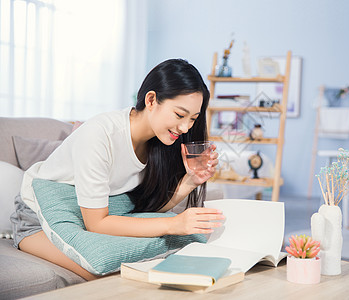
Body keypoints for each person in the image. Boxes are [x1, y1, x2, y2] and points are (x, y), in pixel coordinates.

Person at [10, 59, 222, 280]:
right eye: (180, 115)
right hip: (39, 221)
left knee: (168, 259)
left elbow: (147, 210)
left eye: (192, 119)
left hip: (100, 215)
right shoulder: (100, 135)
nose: (185, 127)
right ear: (151, 100)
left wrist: (190, 181)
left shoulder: (161, 143)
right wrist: (175, 223)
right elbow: (97, 223)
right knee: (111, 276)